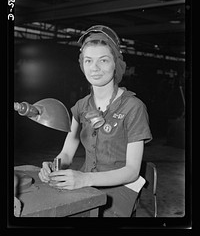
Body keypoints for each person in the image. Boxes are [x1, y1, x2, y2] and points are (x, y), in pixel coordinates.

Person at [38, 25, 152, 217]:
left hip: (120, 188)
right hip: (86, 182)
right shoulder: (81, 106)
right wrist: (53, 166)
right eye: (88, 61)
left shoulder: (134, 107)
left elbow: (132, 171)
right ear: (82, 65)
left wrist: (84, 179)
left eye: (104, 60)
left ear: (116, 64)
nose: (95, 68)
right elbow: (66, 152)